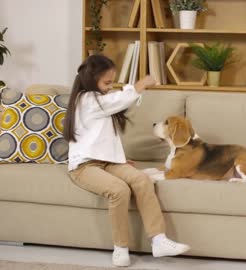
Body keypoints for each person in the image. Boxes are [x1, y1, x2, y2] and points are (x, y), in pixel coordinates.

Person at [63, 54, 189, 267]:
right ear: (90, 80)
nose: (110, 87)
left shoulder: (100, 101)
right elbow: (117, 101)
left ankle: (159, 239)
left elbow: (102, 137)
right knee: (119, 190)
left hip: (109, 162)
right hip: (84, 166)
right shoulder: (85, 100)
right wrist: (140, 85)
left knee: (141, 180)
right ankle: (120, 247)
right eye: (107, 82)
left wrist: (119, 160)